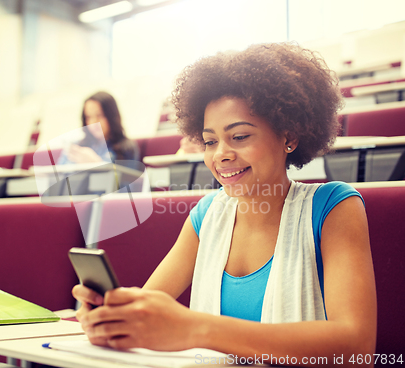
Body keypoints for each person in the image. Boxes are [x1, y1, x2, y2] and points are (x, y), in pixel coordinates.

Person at [72, 43, 376, 366]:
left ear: (290, 136)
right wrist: (112, 318)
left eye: (240, 137)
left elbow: (356, 348)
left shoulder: (334, 208)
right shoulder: (206, 216)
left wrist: (198, 329)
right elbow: (149, 307)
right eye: (210, 141)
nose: (220, 155)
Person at [57, 91, 139, 165]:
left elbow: (125, 180)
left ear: (112, 116)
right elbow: (57, 177)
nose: (94, 123)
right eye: (88, 117)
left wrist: (97, 164)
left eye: (100, 115)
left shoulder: (126, 149)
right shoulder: (77, 147)